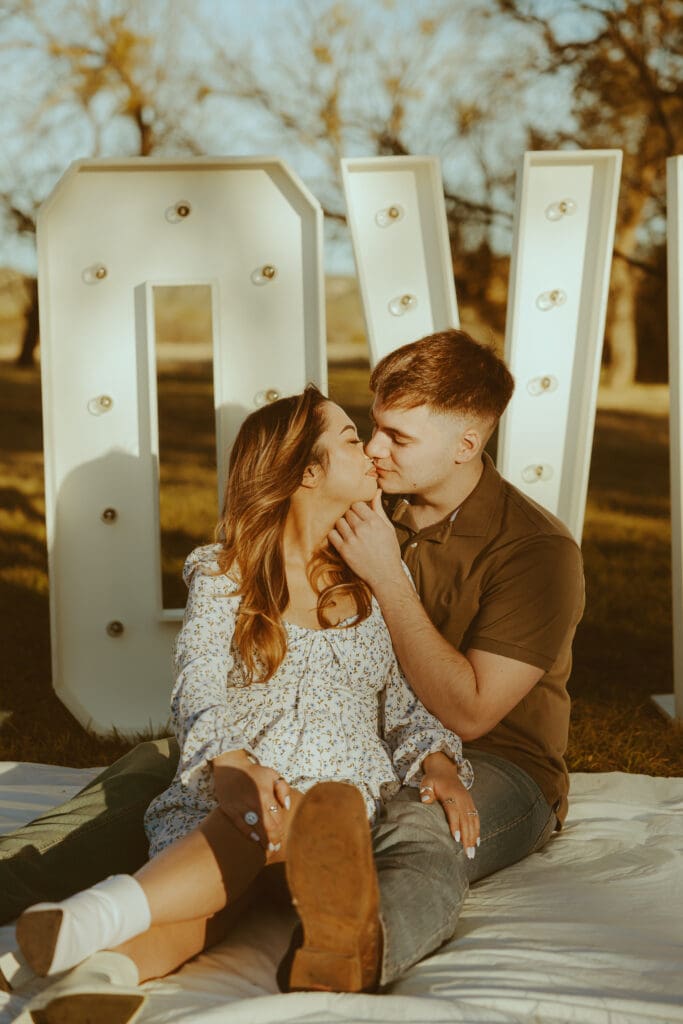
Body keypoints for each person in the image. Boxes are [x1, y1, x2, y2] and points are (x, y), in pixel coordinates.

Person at [0, 328, 584, 1000]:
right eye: (370, 429)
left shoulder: (534, 552)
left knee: (418, 826)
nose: (373, 449)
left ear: (465, 446)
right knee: (146, 778)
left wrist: (390, 583)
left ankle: (350, 948)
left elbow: (470, 711)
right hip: (309, 737)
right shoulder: (364, 506)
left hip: (494, 756)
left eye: (398, 437)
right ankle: (34, 901)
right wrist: (227, 753)